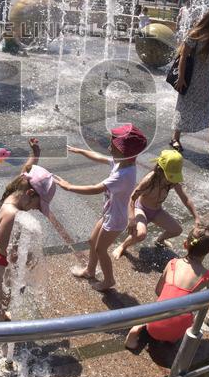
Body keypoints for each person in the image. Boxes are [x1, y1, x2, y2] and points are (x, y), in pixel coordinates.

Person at [56, 124, 147, 292]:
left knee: (101, 249)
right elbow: (100, 157)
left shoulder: (123, 175)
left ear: (126, 154)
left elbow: (95, 188)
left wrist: (69, 187)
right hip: (109, 212)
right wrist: (81, 151)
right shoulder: (123, 163)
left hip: (116, 218)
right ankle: (90, 270)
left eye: (113, 148)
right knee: (93, 241)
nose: (108, 149)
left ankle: (109, 280)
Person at [124, 223, 209, 353]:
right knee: (184, 317)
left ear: (185, 244)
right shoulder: (208, 276)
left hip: (153, 327)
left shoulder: (173, 264)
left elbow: (158, 291)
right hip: (177, 332)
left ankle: (137, 328)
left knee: (153, 309)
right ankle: (171, 339)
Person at [0, 138, 54, 320]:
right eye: (37, 205)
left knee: (5, 297)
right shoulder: (12, 214)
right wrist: (24, 261)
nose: (35, 209)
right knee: (3, 299)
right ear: (30, 194)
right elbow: (4, 246)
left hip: (4, 260)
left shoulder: (18, 190)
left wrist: (35, 155)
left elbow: (26, 171)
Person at [112, 149, 200, 259]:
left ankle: (160, 240)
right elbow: (132, 198)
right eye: (170, 176)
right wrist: (131, 218)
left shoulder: (173, 182)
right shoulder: (149, 180)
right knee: (141, 234)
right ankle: (123, 246)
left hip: (156, 211)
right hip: (141, 209)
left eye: (173, 176)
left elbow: (185, 199)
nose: (171, 180)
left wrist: (196, 217)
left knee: (177, 230)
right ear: (160, 169)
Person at [171, 9, 209, 155]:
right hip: (191, 79)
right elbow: (183, 57)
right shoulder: (194, 35)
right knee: (184, 107)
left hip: (206, 80)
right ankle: (175, 138)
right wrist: (181, 78)